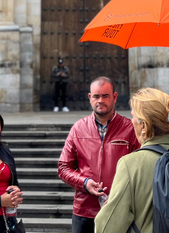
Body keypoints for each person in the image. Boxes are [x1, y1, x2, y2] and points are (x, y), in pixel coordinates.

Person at [94, 88, 169, 233]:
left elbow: (109, 225)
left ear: (143, 125)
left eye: (133, 117)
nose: (131, 122)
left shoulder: (131, 163)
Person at [58, 76, 141, 233]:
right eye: (96, 96)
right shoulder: (78, 128)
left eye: (105, 96)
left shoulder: (130, 128)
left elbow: (139, 170)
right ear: (90, 98)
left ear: (115, 97)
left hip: (119, 211)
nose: (100, 100)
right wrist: (84, 182)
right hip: (84, 210)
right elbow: (63, 168)